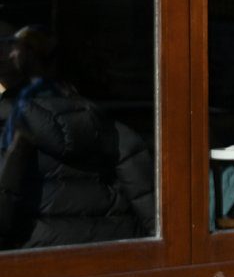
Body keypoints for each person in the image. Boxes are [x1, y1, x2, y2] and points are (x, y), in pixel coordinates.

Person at [0, 25, 145, 248]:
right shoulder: (108, 124)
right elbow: (151, 207)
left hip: (35, 256)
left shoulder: (12, 128)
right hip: (116, 250)